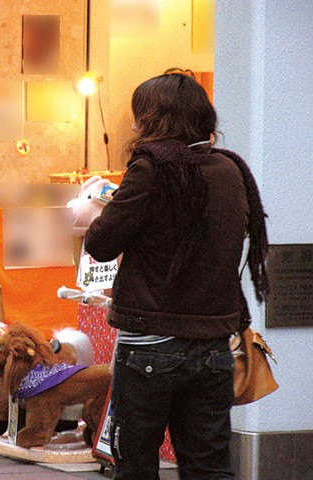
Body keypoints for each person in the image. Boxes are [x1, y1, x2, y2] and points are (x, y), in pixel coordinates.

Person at [85, 73, 269, 480]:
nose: (133, 124)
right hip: (214, 345)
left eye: (138, 114)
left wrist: (101, 209)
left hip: (149, 344)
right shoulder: (231, 169)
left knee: (135, 464)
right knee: (209, 465)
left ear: (153, 119)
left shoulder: (151, 169)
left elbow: (101, 243)